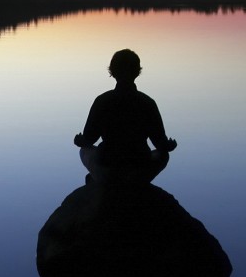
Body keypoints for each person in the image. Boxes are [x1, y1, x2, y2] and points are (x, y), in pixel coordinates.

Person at [74, 49, 177, 184]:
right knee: (163, 156)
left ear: (112, 71)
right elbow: (160, 143)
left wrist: (79, 140)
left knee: (84, 151)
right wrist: (170, 145)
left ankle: (101, 178)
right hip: (139, 165)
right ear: (137, 72)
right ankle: (134, 181)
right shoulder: (147, 102)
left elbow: (89, 139)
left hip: (109, 164)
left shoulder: (102, 100)